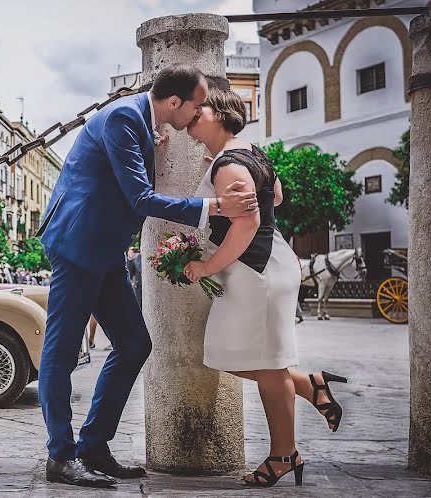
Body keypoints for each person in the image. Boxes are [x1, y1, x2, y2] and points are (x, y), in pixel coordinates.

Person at [35, 63, 258, 488]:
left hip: (105, 253)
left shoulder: (144, 122)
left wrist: (153, 144)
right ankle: (60, 455)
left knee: (135, 343)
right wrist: (214, 207)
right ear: (174, 101)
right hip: (78, 245)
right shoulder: (122, 117)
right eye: (196, 104)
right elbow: (139, 198)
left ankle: (94, 446)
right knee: (61, 352)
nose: (199, 113)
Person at [184, 87, 346, 487]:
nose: (192, 111)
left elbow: (249, 222)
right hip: (269, 263)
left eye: (200, 106)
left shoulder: (230, 165)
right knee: (229, 353)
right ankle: (311, 386)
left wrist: (207, 266)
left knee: (267, 364)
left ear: (220, 114)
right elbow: (277, 194)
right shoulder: (249, 154)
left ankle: (283, 454)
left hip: (254, 270)